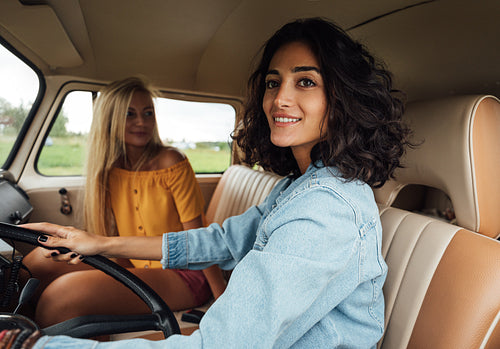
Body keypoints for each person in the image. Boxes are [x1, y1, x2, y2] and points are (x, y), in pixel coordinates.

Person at [9, 17, 411, 348]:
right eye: (273, 83)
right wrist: (96, 243)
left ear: (342, 98)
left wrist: (35, 346)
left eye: (305, 81)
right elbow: (218, 241)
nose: (279, 100)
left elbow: (219, 345)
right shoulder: (299, 188)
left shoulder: (326, 210)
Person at [21, 77, 227, 328]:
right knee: (34, 264)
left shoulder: (171, 162)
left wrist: (222, 296)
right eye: (129, 114)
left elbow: (198, 237)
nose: (141, 122)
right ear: (110, 120)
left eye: (147, 113)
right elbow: (116, 232)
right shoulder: (110, 168)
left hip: (182, 272)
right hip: (131, 259)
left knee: (60, 297)